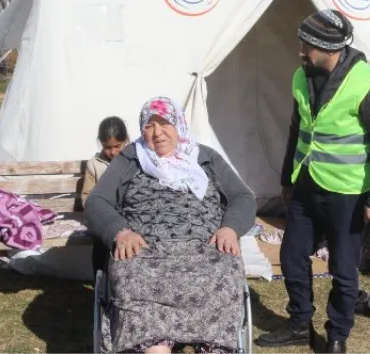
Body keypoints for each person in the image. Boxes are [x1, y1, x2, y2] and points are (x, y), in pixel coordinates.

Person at [255, 9, 370, 354]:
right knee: (291, 256)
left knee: (344, 269)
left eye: (306, 44)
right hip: (306, 184)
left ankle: (337, 334)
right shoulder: (302, 77)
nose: (301, 50)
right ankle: (300, 322)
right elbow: (297, 129)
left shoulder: (367, 82)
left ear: (327, 47)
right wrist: (287, 178)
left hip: (347, 192)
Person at [86, 97, 256, 354]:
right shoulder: (130, 159)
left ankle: (214, 346)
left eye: (164, 123)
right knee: (134, 279)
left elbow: (243, 197)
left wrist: (230, 227)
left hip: (205, 248)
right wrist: (120, 231)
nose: (157, 133)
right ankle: (155, 345)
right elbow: (97, 200)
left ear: (179, 124)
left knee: (225, 274)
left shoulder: (206, 158)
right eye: (149, 125)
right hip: (145, 251)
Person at [82, 116, 129, 281]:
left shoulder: (133, 161)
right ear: (100, 143)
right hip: (104, 215)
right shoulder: (95, 164)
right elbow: (87, 195)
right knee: (101, 242)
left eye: (118, 146)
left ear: (126, 140)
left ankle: (123, 280)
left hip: (128, 216)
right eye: (108, 147)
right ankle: (99, 281)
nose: (113, 152)